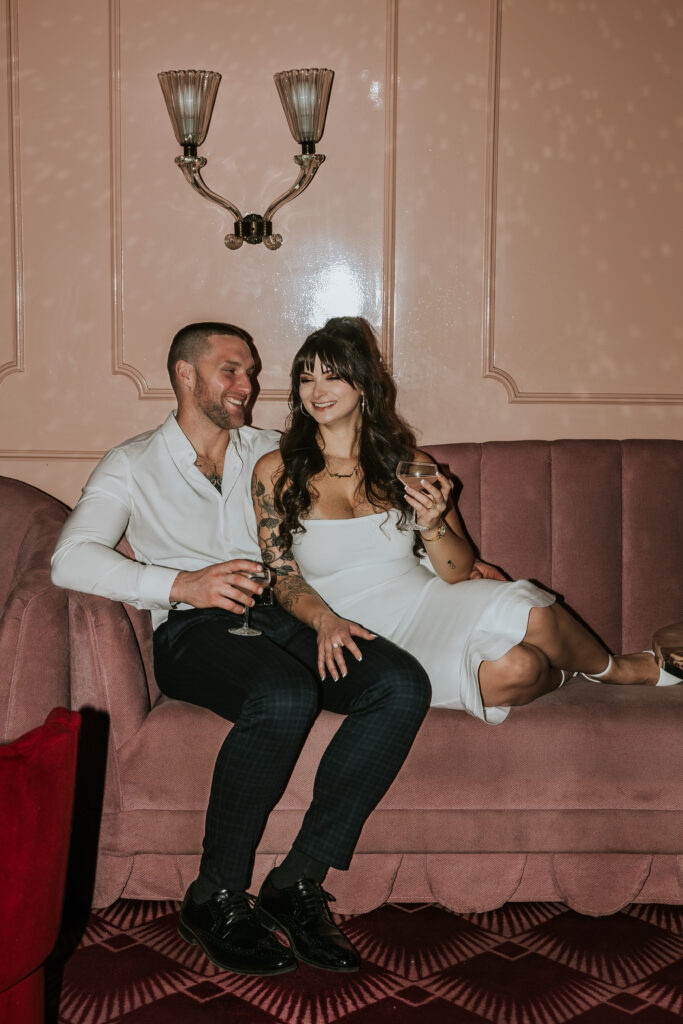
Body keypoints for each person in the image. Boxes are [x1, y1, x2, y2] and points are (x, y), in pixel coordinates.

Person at [51, 321, 431, 978]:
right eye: (230, 369)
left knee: (398, 684)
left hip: (286, 611)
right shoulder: (132, 462)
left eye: (252, 371)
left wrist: (447, 558)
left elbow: (359, 504)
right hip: (194, 630)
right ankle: (214, 894)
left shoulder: (275, 450)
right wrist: (179, 585)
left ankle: (297, 879)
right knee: (282, 695)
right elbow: (68, 559)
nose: (247, 385)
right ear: (185, 375)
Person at [251, 316, 678, 727]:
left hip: (425, 601)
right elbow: (283, 577)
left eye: (332, 376)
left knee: (536, 615)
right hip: (350, 630)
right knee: (519, 667)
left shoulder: (411, 465)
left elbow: (455, 571)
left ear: (362, 384)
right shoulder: (277, 471)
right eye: (306, 379)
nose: (317, 391)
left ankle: (615, 669)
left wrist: (433, 522)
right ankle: (568, 670)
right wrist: (324, 621)